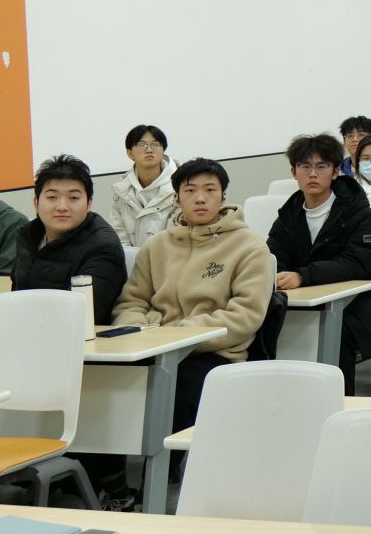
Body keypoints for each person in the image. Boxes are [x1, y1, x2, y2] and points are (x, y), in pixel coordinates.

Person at [112, 156, 273, 473]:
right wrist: (140, 332)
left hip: (213, 352)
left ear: (223, 196)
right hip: (154, 346)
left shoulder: (249, 247)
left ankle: (159, 476)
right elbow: (131, 302)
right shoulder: (156, 246)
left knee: (179, 386)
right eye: (190, 191)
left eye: (210, 190)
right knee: (106, 383)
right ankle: (106, 476)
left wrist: (181, 336)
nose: (200, 198)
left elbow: (245, 315)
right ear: (176, 198)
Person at [267, 134, 371, 393]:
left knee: (336, 331)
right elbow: (274, 254)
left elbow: (358, 263)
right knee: (266, 322)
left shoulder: (358, 212)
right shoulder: (289, 214)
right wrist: (280, 274)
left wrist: (303, 275)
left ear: (334, 172)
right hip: (309, 299)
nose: (313, 174)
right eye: (305, 166)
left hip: (368, 301)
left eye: (321, 166)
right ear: (294, 172)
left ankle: (338, 402)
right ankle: (284, 397)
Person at [13, 154, 129, 322]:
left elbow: (82, 314)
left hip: (78, 334)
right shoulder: (27, 235)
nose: (62, 207)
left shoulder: (103, 247)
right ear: (36, 203)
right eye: (52, 197)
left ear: (89, 204)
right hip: (25, 328)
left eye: (73, 198)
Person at [112, 124, 177, 247]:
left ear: (163, 151)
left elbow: (177, 236)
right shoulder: (121, 191)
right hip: (132, 257)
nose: (149, 150)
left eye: (155, 144)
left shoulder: (179, 187)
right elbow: (120, 236)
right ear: (129, 153)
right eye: (141, 145)